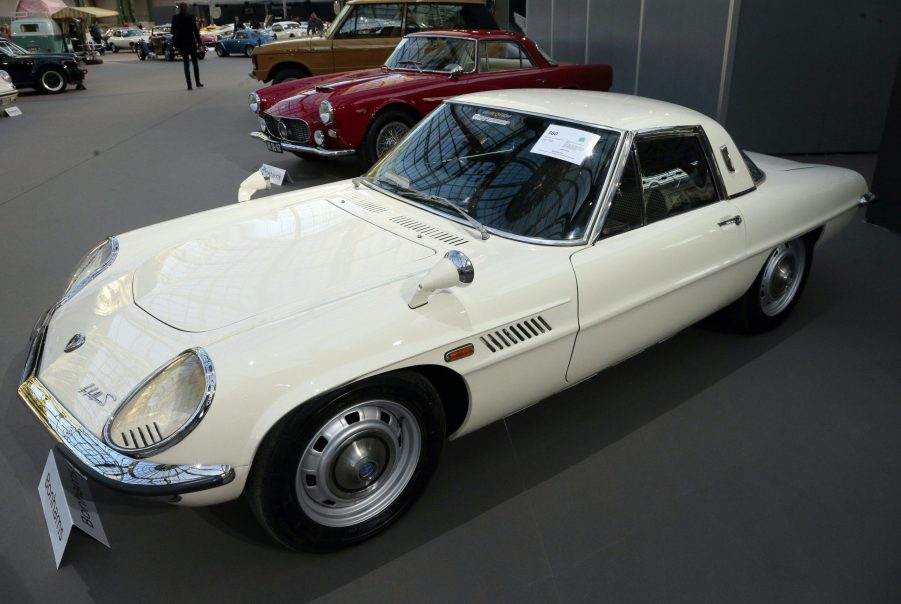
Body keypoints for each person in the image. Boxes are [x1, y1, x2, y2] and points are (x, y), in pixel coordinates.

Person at [171, 2, 203, 90]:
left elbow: (172, 31)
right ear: (186, 8)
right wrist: (200, 43)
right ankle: (197, 82)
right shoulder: (191, 17)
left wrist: (179, 33)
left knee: (186, 63)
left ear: (179, 8)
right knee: (195, 62)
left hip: (182, 43)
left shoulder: (175, 18)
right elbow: (196, 31)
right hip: (191, 42)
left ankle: (189, 85)